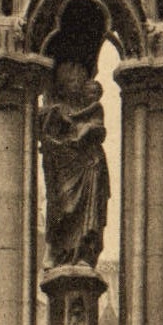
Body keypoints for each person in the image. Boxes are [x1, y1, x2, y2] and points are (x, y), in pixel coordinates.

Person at [39, 55, 110, 268]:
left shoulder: (94, 109)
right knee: (58, 207)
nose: (77, 84)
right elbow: (44, 132)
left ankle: (84, 253)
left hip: (89, 167)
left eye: (80, 80)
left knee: (89, 217)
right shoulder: (56, 109)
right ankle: (56, 250)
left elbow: (98, 129)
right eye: (71, 80)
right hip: (63, 167)